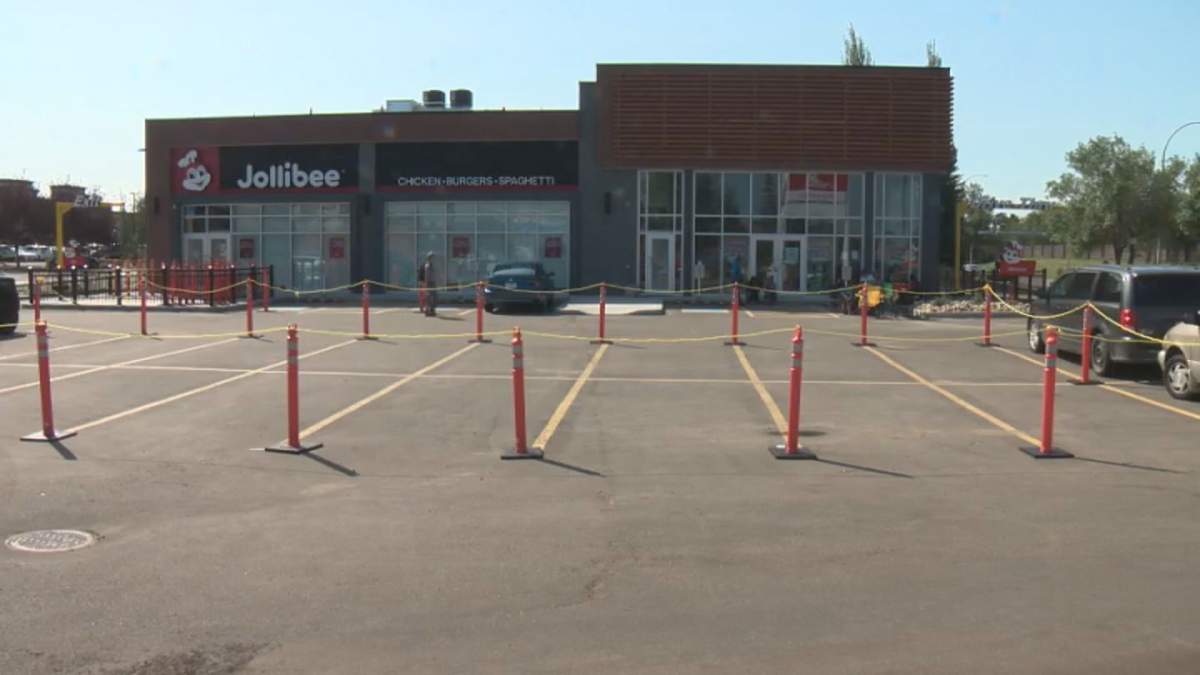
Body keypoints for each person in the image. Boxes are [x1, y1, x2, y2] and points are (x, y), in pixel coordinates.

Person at [421, 252, 437, 317]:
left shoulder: (431, 265)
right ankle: (428, 311)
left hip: (432, 282)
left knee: (433, 297)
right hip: (429, 283)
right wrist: (426, 284)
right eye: (431, 257)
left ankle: (432, 310)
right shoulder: (427, 265)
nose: (433, 259)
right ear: (429, 258)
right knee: (429, 297)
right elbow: (426, 276)